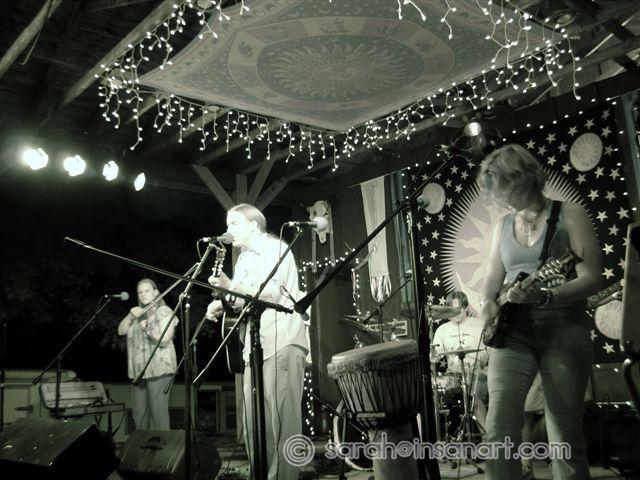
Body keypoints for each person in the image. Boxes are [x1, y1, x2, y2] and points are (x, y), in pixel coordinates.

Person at [477, 143, 601, 479]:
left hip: (563, 326)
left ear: (523, 179)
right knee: (498, 428)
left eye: (504, 190)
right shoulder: (502, 225)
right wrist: (487, 303)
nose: (502, 200)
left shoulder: (571, 214)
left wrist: (546, 296)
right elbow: (492, 280)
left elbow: (592, 277)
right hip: (513, 329)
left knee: (564, 434)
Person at [206, 203, 308, 480]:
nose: (227, 230)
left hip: (282, 339)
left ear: (253, 225)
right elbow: (242, 298)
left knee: (282, 422)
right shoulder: (243, 259)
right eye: (227, 224)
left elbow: (270, 294)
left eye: (233, 223)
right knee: (254, 421)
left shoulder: (276, 249)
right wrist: (222, 303)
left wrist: (230, 286)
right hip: (254, 346)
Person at [117, 278, 178, 430]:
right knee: (139, 416)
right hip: (139, 372)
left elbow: (165, 340)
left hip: (159, 370)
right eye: (140, 292)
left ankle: (162, 444)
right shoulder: (137, 314)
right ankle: (143, 444)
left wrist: (148, 330)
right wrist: (131, 316)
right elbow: (121, 331)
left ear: (156, 292)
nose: (143, 294)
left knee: (158, 414)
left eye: (147, 291)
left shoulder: (163, 311)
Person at [432, 291, 489, 431]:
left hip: (478, 374)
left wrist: (481, 358)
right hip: (454, 377)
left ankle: (486, 434)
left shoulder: (479, 324)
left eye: (458, 309)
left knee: (472, 392)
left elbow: (490, 350)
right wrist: (433, 355)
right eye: (451, 309)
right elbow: (436, 355)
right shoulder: (442, 330)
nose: (455, 312)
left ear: (466, 307)